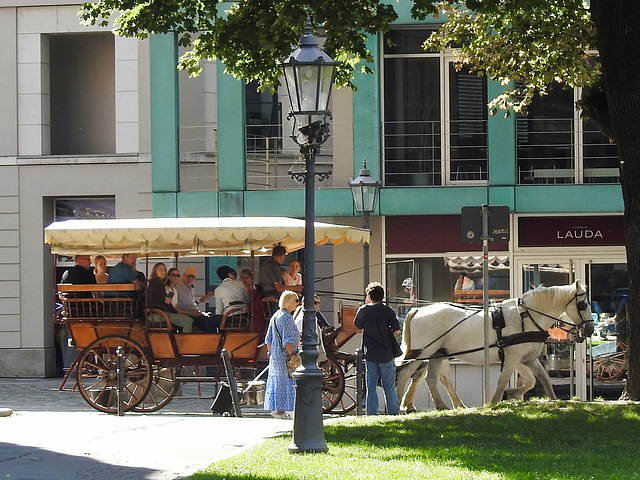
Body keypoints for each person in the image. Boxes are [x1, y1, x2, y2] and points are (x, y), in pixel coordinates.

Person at [354, 282, 401, 416]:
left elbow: (357, 325)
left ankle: (372, 413)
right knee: (389, 386)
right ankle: (393, 413)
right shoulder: (388, 311)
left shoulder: (363, 310)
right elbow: (397, 331)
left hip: (370, 354)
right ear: (382, 296)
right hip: (386, 353)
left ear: (369, 295)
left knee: (371, 387)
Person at [264, 290, 300, 419]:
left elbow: (268, 339)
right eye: (296, 301)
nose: (297, 303)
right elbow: (288, 340)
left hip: (276, 356)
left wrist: (270, 354)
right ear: (290, 302)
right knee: (289, 382)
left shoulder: (275, 316)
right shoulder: (287, 318)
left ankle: (279, 411)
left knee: (278, 383)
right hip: (286, 356)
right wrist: (292, 356)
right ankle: (289, 409)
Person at [146, 262, 194, 333]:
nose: (162, 272)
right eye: (160, 270)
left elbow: (168, 304)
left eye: (164, 270)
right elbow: (150, 298)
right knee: (188, 321)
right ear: (155, 271)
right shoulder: (154, 282)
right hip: (156, 314)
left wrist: (177, 312)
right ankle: (184, 342)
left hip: (162, 312)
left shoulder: (160, 284)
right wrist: (164, 299)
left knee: (187, 319)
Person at [174, 266, 218, 332]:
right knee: (207, 322)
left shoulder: (189, 285)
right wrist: (196, 312)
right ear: (184, 275)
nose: (190, 278)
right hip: (185, 314)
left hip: (191, 312)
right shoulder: (180, 286)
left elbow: (191, 302)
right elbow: (185, 305)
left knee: (211, 319)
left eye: (193, 277)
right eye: (189, 276)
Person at [293, 294, 328, 363]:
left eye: (318, 303)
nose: (317, 305)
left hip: (311, 355)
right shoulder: (302, 319)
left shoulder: (312, 317)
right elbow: (298, 339)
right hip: (305, 357)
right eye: (315, 303)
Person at [240, 268, 266, 333]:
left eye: (246, 278)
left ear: (251, 279)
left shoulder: (253, 290)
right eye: (242, 278)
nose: (244, 280)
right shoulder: (239, 289)